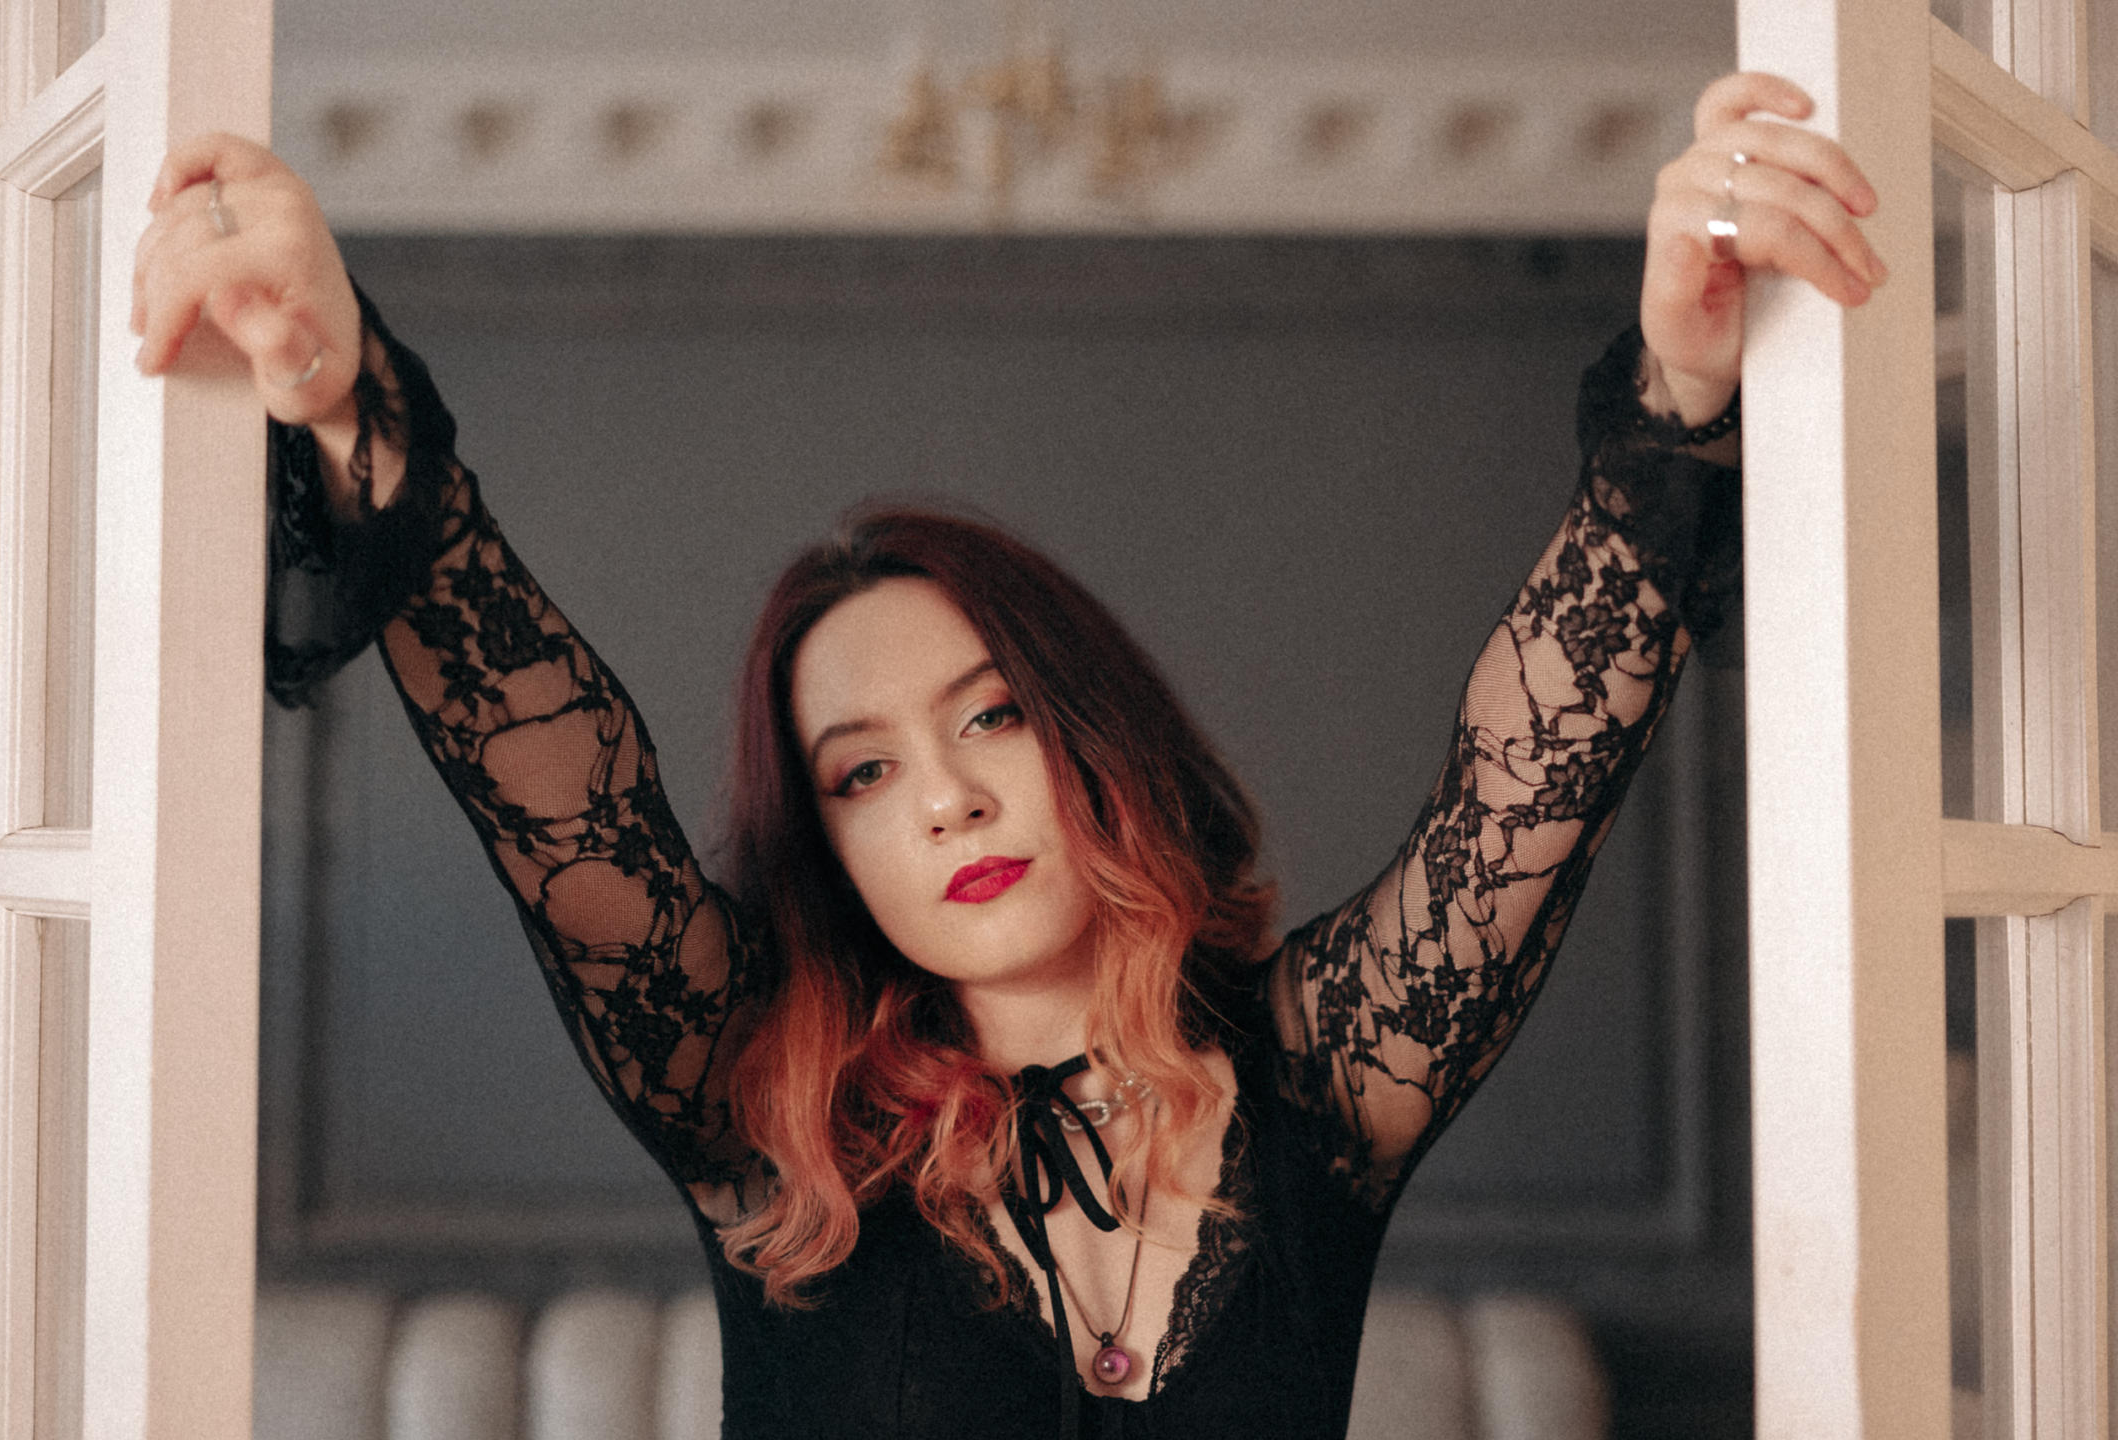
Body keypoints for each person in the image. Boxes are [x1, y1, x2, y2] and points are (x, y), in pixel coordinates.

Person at [130, 70, 1883, 1439]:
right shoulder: (760, 1108)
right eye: (863, 772)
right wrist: (346, 400)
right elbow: (549, 783)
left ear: (1091, 733)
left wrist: (1680, 384)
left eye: (991, 715)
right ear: (828, 847)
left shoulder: (1324, 1080)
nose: (950, 794)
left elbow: (1528, 780)